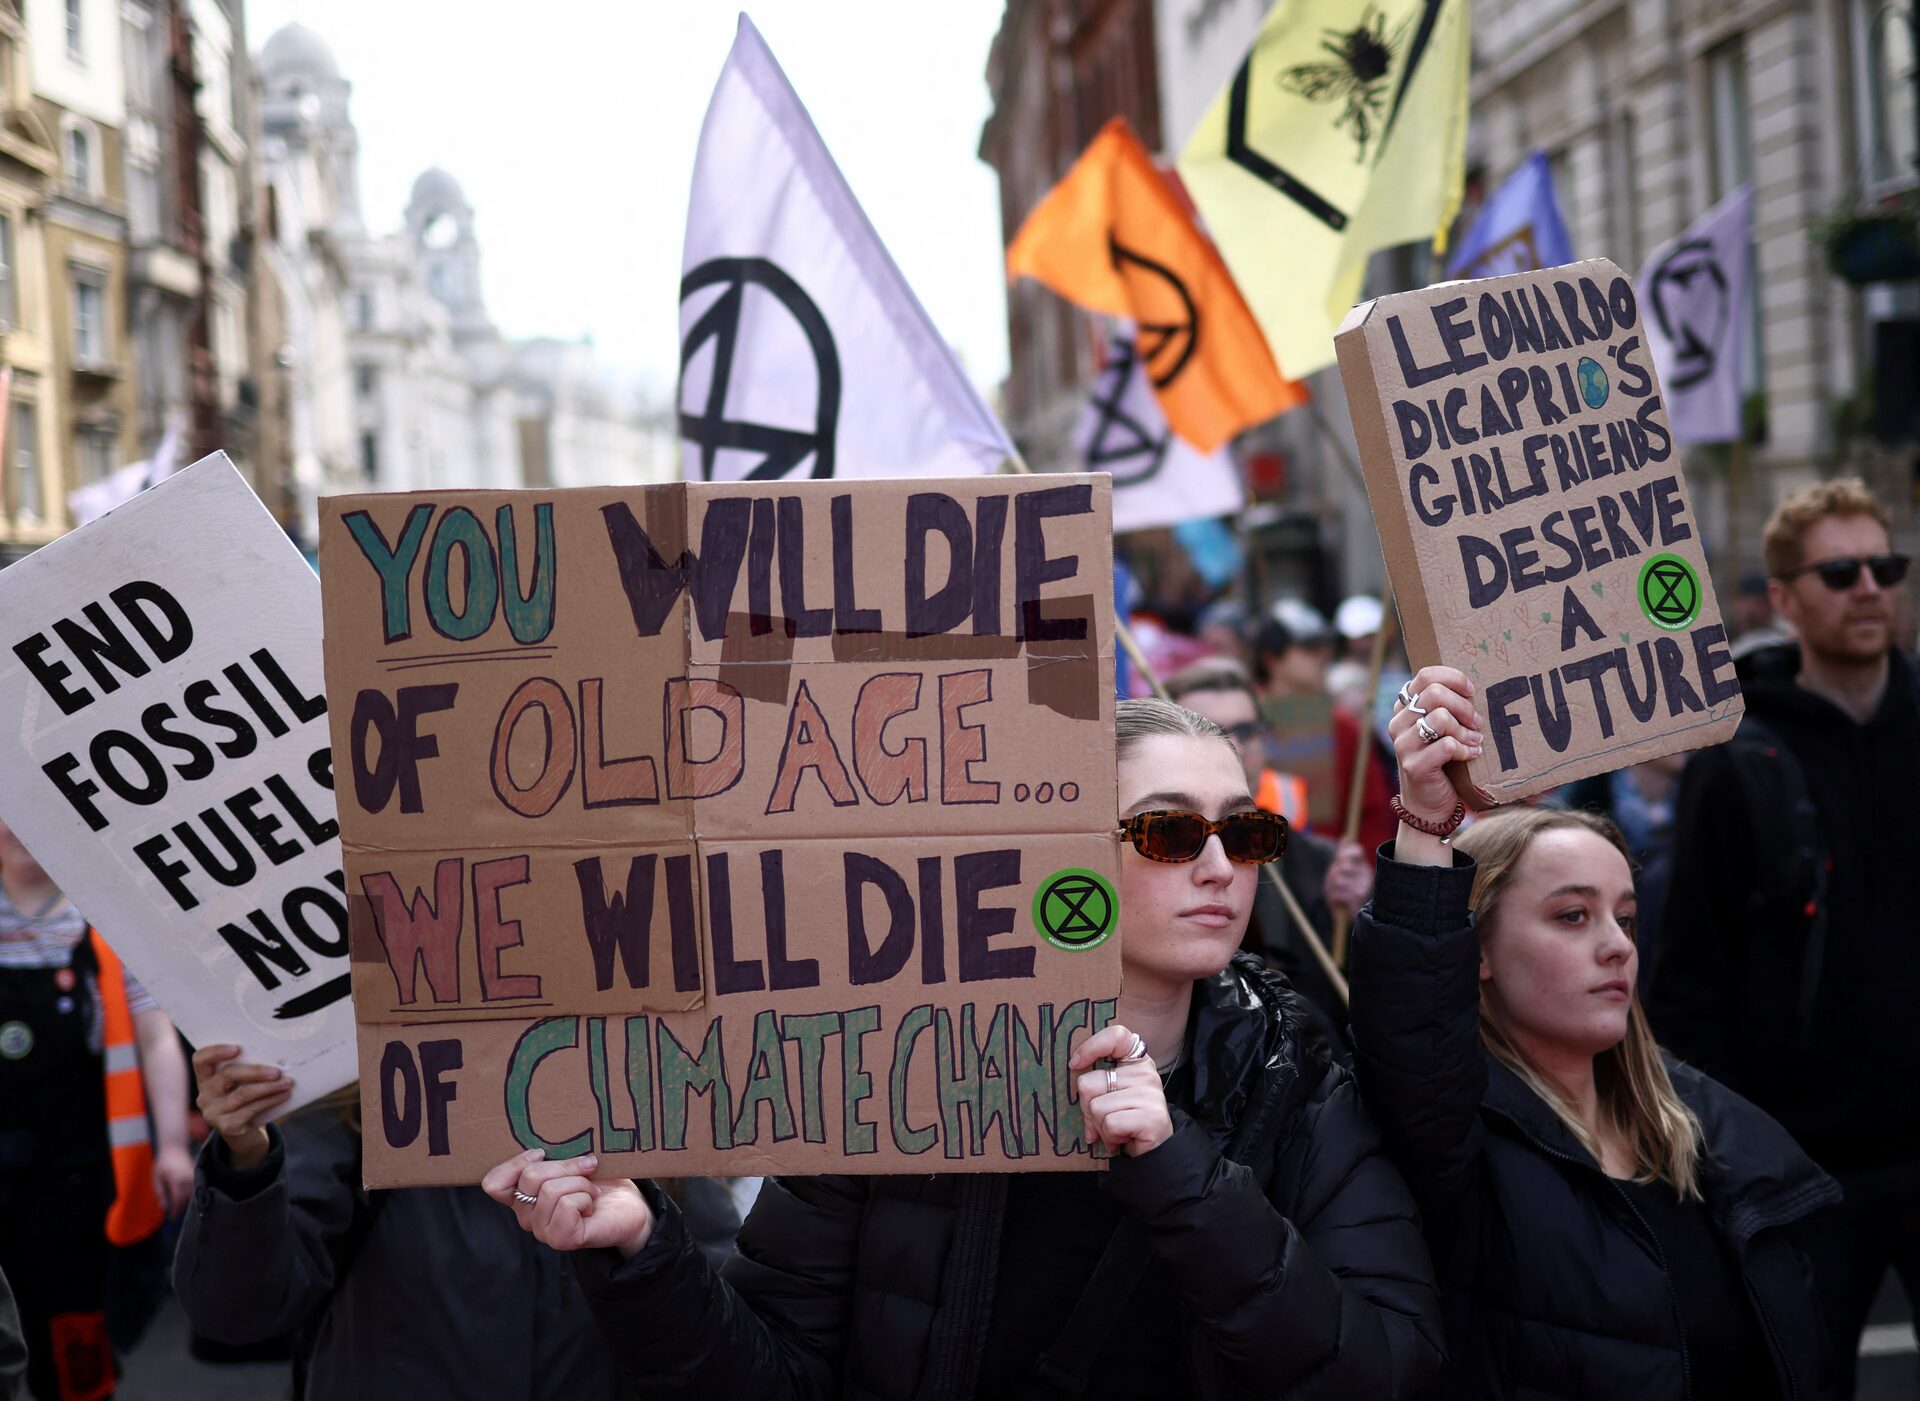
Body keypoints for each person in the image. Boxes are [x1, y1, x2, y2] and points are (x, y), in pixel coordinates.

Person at [483, 698, 1445, 1400]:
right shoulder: (903, 1071)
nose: (1218, 864)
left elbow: (1383, 1364)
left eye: (1246, 829)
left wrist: (1178, 1167)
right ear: (1061, 850)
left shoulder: (1297, 1076)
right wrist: (643, 1250)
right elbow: (773, 1375)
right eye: (1167, 830)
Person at [1348, 665, 1841, 1399]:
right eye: (1572, 915)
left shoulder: (1709, 1127)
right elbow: (1414, 1024)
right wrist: (1424, 821)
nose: (1617, 946)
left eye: (1627, 917)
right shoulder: (1453, 1141)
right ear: (1472, 950)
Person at [1647, 477, 1920, 1394]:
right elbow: (1689, 981)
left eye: (1887, 565)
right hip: (1804, 1172)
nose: (1870, 588)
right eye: (1840, 571)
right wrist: (1738, 1161)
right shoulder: (1738, 763)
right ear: (1784, 598)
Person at [174, 1041, 714, 1400]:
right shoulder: (356, 1106)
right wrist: (245, 1164)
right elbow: (237, 1310)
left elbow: (732, 1329)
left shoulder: (645, 1080)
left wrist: (644, 1236)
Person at [0, 821, 192, 1401]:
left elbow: (157, 1038)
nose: (16, 828)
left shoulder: (107, 924)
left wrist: (175, 1147)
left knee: (74, 1344)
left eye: (30, 810)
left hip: (75, 1182)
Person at [1166, 658, 1369, 1025]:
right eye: (1210, 731)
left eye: (1246, 731)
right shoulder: (1152, 857)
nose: (1236, 750)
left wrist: (1362, 920)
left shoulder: (1322, 864)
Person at [1250, 616, 1397, 856]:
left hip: (1333, 881)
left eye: (1324, 646)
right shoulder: (1240, 721)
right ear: (1271, 659)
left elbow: (1373, 813)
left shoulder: (1343, 726)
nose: (1324, 655)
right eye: (1308, 649)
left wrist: (1364, 872)